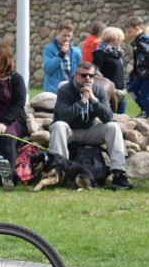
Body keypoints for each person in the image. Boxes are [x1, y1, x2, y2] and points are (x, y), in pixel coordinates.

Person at [49, 61, 133, 190]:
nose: (88, 78)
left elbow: (108, 117)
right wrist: (82, 101)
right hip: (70, 131)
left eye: (91, 76)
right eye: (83, 75)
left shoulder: (99, 90)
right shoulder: (65, 90)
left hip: (90, 131)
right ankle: (60, 173)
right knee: (59, 125)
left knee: (113, 127)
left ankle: (118, 175)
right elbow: (64, 116)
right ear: (75, 76)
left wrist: (93, 99)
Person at [92, 26, 127, 114]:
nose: (121, 42)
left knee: (122, 119)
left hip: (121, 92)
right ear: (115, 40)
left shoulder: (117, 54)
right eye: (120, 39)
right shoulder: (100, 54)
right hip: (109, 93)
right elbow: (96, 73)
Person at [43, 21, 82, 93]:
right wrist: (61, 54)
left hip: (71, 91)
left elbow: (80, 72)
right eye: (64, 35)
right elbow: (48, 69)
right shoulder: (48, 49)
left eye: (69, 36)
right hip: (54, 91)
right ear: (58, 33)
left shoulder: (77, 52)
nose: (67, 39)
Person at [124, 16, 149, 119]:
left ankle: (147, 113)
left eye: (130, 32)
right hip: (139, 74)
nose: (128, 35)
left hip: (147, 75)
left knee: (144, 96)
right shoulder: (136, 43)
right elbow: (137, 61)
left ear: (137, 28)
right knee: (131, 91)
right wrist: (133, 74)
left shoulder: (145, 41)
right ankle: (143, 109)